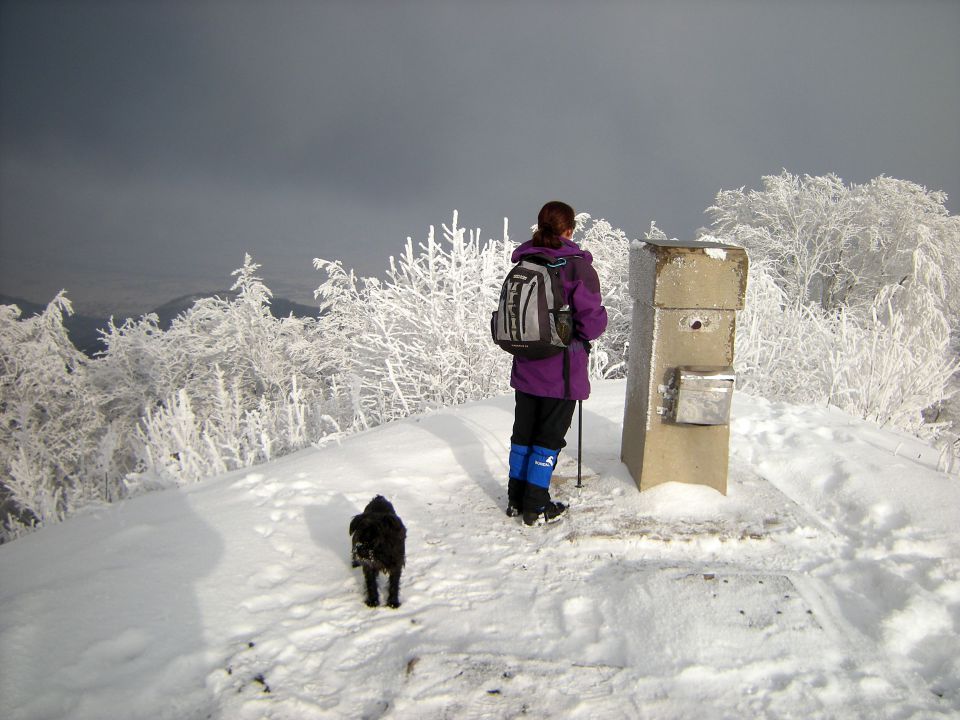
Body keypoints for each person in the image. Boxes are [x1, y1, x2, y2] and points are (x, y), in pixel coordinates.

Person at [506, 201, 608, 526]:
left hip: (526, 365)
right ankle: (535, 506)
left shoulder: (525, 260)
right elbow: (592, 323)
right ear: (569, 229)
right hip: (560, 371)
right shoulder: (577, 267)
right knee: (548, 441)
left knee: (523, 435)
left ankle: (514, 498)